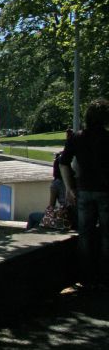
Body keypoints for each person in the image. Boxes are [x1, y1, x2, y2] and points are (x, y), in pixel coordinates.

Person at [60, 99, 109, 288]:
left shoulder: (77, 138)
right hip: (105, 191)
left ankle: (86, 277)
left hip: (84, 190)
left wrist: (69, 187)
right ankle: (104, 277)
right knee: (106, 236)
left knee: (85, 235)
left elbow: (63, 163)